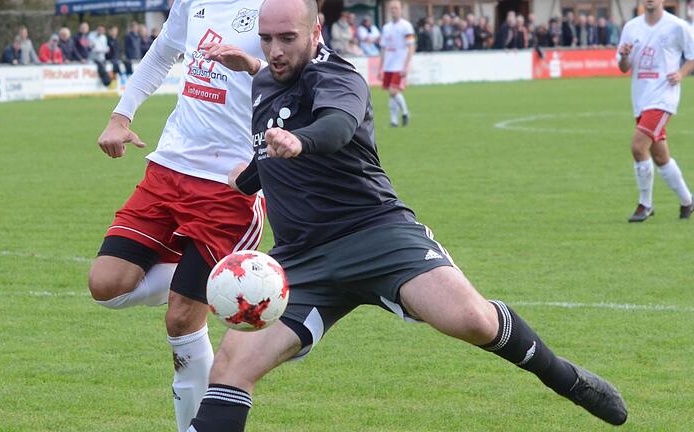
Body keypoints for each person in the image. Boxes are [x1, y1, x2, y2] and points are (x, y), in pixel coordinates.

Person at [186, 1, 629, 430]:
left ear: (316, 31)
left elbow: (336, 126)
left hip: (377, 235)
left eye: (287, 37)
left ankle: (565, 378)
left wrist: (302, 141)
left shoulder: (339, 77)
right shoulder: (265, 81)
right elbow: (270, 155)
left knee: (473, 321)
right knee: (229, 367)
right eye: (266, 39)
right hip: (301, 260)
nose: (275, 49)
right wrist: (244, 180)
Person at [90, 0, 266, 430]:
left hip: (230, 184)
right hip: (168, 167)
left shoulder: (275, 6)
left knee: (182, 316)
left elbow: (308, 73)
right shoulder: (191, 1)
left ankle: (194, 426)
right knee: (106, 286)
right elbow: (162, 50)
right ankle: (236, 279)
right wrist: (120, 116)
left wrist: (255, 65)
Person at [617, 0, 694, 222]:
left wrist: (681, 73)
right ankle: (687, 200)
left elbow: (691, 56)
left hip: (663, 98)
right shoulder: (631, 27)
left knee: (638, 146)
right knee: (660, 156)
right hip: (641, 98)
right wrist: (623, 56)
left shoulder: (677, 26)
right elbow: (623, 67)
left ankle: (645, 204)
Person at [379, 0, 415, 127]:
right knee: (391, 93)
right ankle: (394, 121)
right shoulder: (386, 28)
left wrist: (406, 65)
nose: (394, 10)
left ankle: (405, 113)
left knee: (394, 91)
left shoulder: (406, 26)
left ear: (401, 9)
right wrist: (380, 68)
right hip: (388, 65)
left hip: (399, 65)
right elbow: (383, 49)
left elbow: (411, 47)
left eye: (396, 8)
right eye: (392, 8)